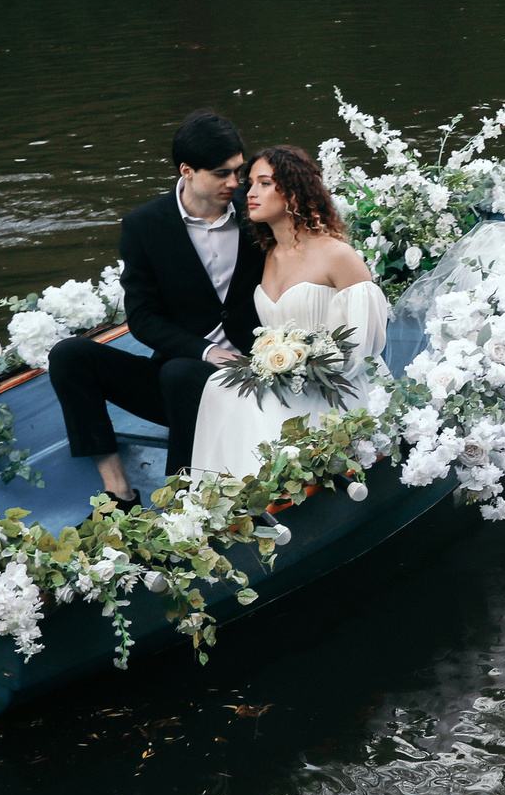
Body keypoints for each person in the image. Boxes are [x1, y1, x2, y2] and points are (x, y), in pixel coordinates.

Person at [48, 110, 266, 503]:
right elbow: (144, 318)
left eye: (239, 170)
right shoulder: (144, 226)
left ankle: (181, 502)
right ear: (187, 171)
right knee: (68, 356)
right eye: (221, 174)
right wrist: (205, 351)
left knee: (179, 373)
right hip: (180, 383)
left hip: (255, 377)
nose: (235, 183)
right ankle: (119, 492)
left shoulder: (257, 212)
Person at [188, 146, 388, 479]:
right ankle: (223, 497)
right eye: (250, 183)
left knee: (256, 404)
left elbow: (365, 347)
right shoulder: (268, 255)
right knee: (221, 387)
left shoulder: (337, 255)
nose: (250, 192)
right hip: (287, 381)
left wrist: (302, 367)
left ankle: (269, 492)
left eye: (264, 183)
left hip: (338, 386)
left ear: (293, 191)